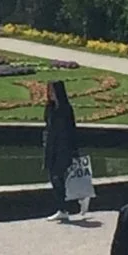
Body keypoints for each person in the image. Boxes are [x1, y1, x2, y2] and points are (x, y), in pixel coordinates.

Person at [42, 81, 83, 219]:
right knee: (53, 177)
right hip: (51, 147)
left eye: (52, 91)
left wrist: (74, 150)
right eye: (49, 91)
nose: (50, 94)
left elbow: (72, 130)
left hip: (63, 147)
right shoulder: (50, 108)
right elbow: (47, 127)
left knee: (59, 176)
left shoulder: (65, 109)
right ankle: (62, 208)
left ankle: (68, 205)